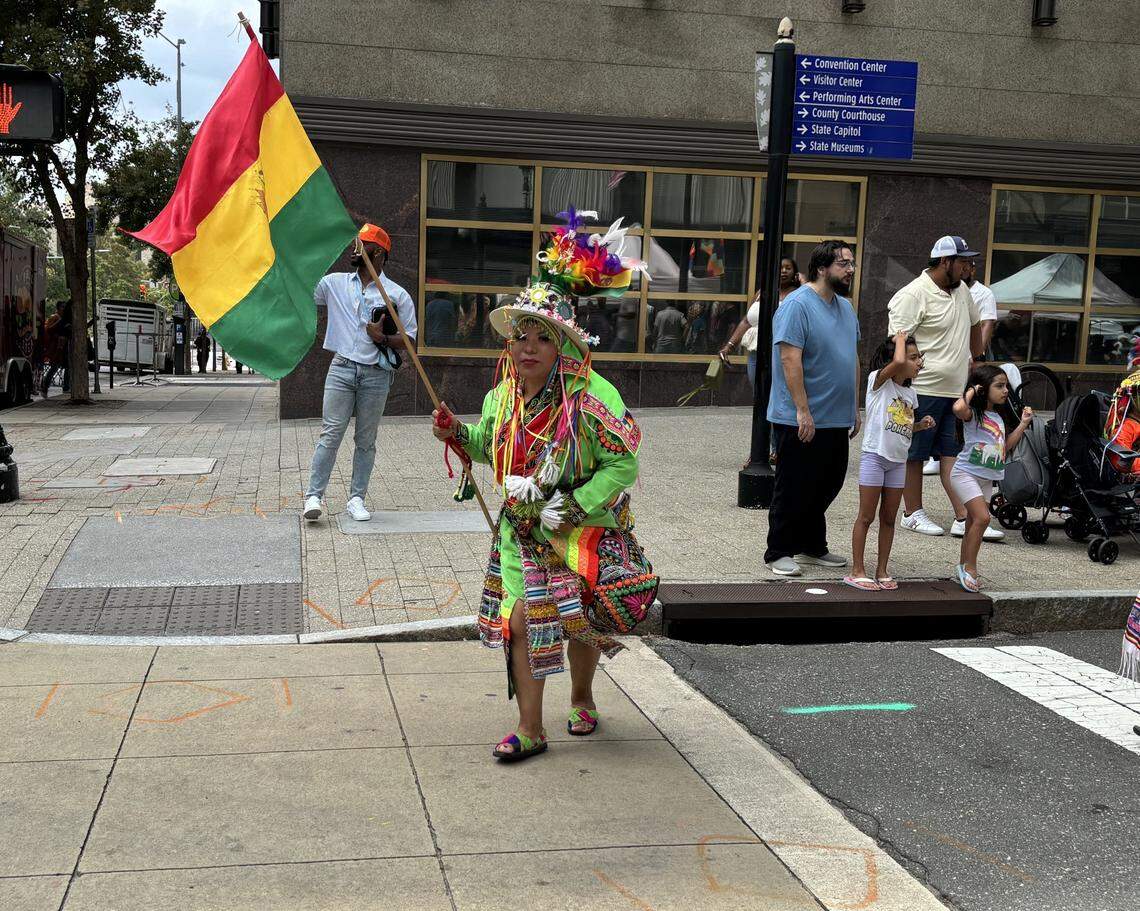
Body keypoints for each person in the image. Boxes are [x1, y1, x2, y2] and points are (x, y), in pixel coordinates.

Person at [431, 210, 657, 762]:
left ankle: (581, 694)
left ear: (562, 346)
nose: (527, 347)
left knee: (577, 620)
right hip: (520, 531)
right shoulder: (503, 395)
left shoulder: (590, 396)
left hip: (582, 533)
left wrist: (572, 506)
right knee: (520, 619)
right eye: (520, 337)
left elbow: (623, 465)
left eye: (541, 338)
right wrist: (458, 432)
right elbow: (490, 445)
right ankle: (530, 729)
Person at [303, 223, 417, 523]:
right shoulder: (334, 283)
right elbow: (303, 289)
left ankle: (356, 498)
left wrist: (381, 338)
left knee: (366, 439)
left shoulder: (397, 294)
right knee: (331, 433)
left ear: (378, 254)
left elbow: (410, 341)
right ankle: (314, 495)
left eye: (362, 245)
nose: (355, 249)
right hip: (341, 368)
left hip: (376, 374)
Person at [888, 236, 997, 541]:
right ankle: (912, 513)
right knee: (916, 453)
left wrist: (977, 358)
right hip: (922, 387)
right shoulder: (913, 294)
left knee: (953, 453)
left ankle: (963, 515)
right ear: (945, 261)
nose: (968, 266)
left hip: (955, 389)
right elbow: (897, 342)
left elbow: (976, 325)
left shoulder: (963, 291)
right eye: (963, 261)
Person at [764, 240, 860, 577]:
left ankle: (811, 545)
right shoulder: (797, 305)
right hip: (801, 416)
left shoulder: (845, 307)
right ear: (822, 268)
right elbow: (790, 358)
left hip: (836, 415)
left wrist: (855, 406)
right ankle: (778, 551)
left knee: (828, 482)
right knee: (794, 484)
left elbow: (853, 357)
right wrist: (802, 411)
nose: (850, 270)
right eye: (844, 264)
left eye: (851, 264)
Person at [846, 332, 936, 591]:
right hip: (875, 457)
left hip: (898, 462)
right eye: (913, 357)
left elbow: (902, 426)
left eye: (920, 357)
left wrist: (920, 425)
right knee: (866, 517)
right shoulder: (879, 381)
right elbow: (896, 364)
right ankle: (857, 570)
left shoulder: (910, 394)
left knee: (888, 519)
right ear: (894, 358)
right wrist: (899, 338)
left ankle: (882, 569)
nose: (919, 362)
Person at [950, 365, 1032, 591]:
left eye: (1006, 385)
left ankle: (961, 566)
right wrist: (971, 391)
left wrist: (1023, 424)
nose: (1006, 390)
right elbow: (958, 407)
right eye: (999, 386)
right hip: (965, 473)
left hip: (986, 477)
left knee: (972, 524)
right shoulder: (972, 413)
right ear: (983, 389)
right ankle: (971, 568)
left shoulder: (997, 416)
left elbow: (1005, 448)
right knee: (983, 519)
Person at [720, 257, 801, 390]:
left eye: (788, 268)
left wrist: (802, 282)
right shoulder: (761, 293)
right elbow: (747, 321)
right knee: (758, 394)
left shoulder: (798, 294)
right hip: (756, 353)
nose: (784, 271)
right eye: (780, 268)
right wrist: (728, 346)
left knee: (777, 396)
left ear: (795, 273)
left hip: (781, 353)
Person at [963, 258, 997, 357]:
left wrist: (977, 355)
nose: (960, 272)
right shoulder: (953, 290)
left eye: (964, 269)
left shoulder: (984, 293)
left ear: (972, 270)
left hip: (972, 353)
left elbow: (986, 324)